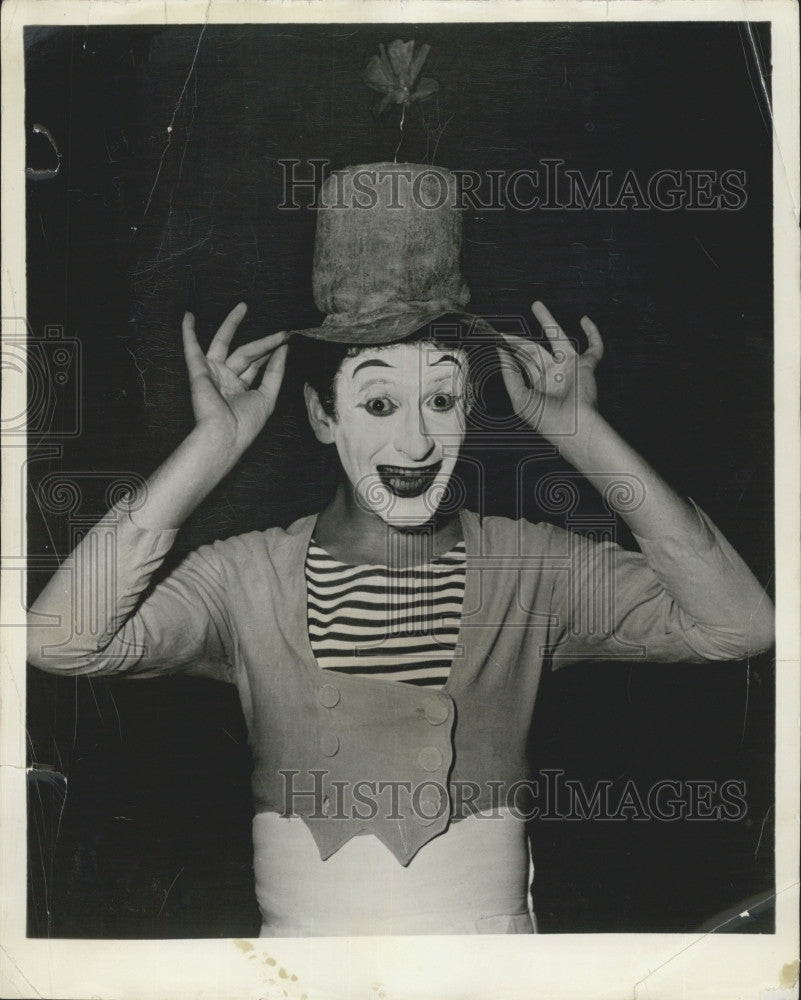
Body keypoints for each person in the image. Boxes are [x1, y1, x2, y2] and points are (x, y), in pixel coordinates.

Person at [27, 163, 774, 936]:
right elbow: (59, 642)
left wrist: (583, 434)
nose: (416, 439)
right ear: (322, 415)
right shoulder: (242, 577)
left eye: (442, 400)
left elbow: (739, 626)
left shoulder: (533, 568)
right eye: (378, 402)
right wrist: (212, 447)